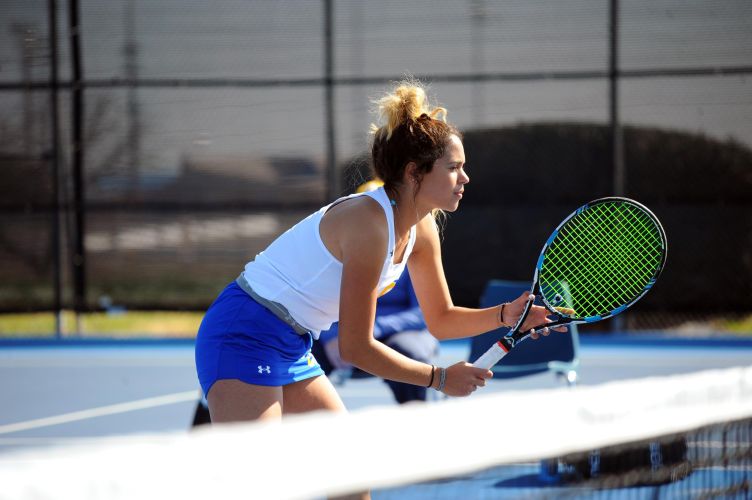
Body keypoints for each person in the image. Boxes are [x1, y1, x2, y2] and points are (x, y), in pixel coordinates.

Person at [194, 79, 562, 426]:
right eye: (453, 168)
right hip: (244, 332)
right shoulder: (369, 225)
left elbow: (441, 319)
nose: (464, 178)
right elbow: (356, 347)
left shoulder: (423, 228)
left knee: (351, 472)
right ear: (414, 172)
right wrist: (440, 377)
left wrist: (507, 315)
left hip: (292, 342)